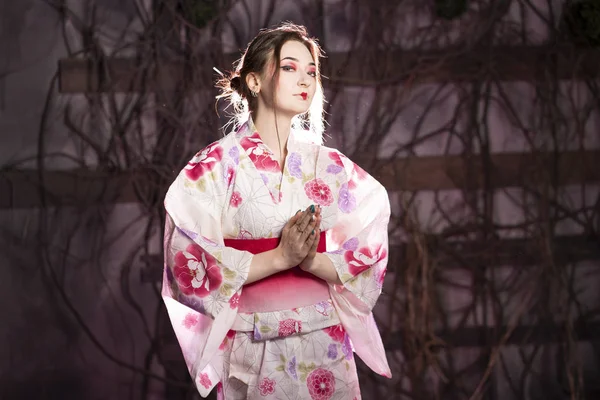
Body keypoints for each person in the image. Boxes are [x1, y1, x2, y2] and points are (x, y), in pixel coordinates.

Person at [162, 22, 391, 399]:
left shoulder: (328, 165)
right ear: (254, 81)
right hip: (253, 342)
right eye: (289, 67)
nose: (305, 79)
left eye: (311, 71)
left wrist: (312, 262)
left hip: (324, 339)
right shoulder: (216, 165)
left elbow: (372, 231)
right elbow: (184, 258)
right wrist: (280, 257)